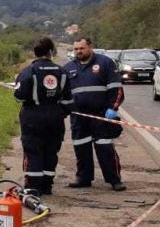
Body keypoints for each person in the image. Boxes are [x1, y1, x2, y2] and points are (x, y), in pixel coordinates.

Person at [62, 37, 126, 191]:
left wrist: (113, 108)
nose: (78, 51)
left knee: (104, 148)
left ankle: (114, 180)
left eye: (81, 48)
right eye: (76, 49)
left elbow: (116, 89)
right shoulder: (68, 68)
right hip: (79, 117)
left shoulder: (105, 63)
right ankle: (83, 178)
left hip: (100, 115)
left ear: (90, 47)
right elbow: (63, 93)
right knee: (81, 148)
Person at [13, 37, 71, 195]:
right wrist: (60, 113)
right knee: (51, 150)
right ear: (51, 52)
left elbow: (19, 96)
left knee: (33, 150)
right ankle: (47, 185)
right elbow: (69, 100)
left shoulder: (28, 71)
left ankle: (32, 187)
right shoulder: (62, 72)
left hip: (33, 116)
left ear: (35, 52)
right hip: (55, 117)